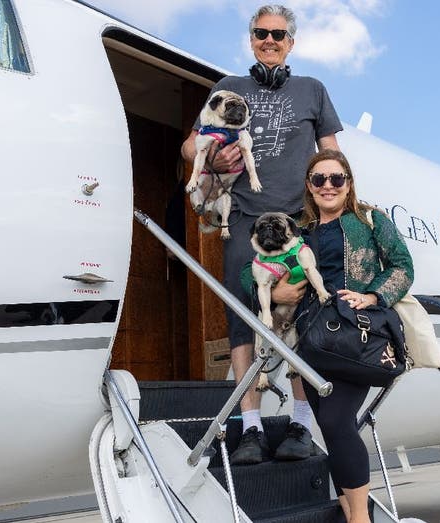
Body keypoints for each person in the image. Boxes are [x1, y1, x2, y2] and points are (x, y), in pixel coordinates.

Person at [180, 4, 343, 465]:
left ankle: (300, 424)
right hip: (246, 221)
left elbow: (333, 156)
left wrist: (343, 211)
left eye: (278, 34)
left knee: (304, 319)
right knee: (242, 318)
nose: (269, 41)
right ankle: (249, 430)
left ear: (291, 42)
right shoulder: (228, 89)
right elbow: (190, 145)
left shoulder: (313, 90)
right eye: (260, 34)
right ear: (251, 39)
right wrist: (208, 157)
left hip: (299, 221)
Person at [296, 149, 414, 523]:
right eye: (319, 180)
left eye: (336, 178)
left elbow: (402, 266)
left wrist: (373, 295)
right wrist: (278, 292)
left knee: (335, 421)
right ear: (310, 188)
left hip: (354, 337)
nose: (328, 186)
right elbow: (259, 270)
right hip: (312, 339)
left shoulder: (371, 219)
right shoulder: (300, 231)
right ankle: (349, 510)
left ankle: (361, 516)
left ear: (348, 184)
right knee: (331, 428)